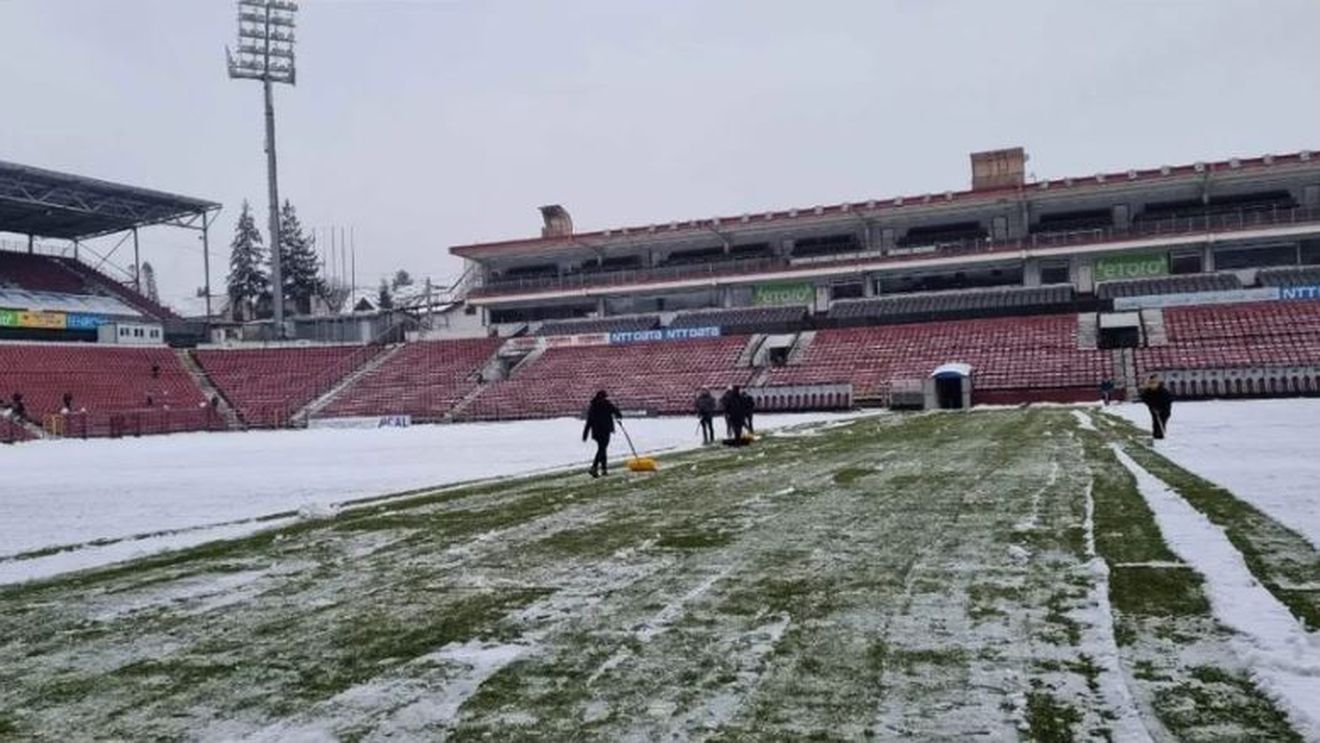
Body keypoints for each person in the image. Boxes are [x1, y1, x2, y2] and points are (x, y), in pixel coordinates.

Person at [582, 389, 622, 478]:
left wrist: (585, 434)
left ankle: (604, 469)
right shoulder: (607, 404)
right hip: (605, 430)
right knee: (602, 449)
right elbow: (617, 413)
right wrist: (618, 413)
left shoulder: (593, 406)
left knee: (602, 449)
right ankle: (594, 467)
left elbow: (589, 421)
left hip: (596, 431)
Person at [1138, 374, 1173, 440]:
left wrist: (1160, 408)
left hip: (1164, 408)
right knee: (1155, 420)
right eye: (1150, 383)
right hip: (1153, 408)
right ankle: (1156, 434)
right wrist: (1151, 406)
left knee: (1162, 420)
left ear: (1157, 383)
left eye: (1154, 383)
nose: (1152, 385)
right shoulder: (1147, 392)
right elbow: (1144, 399)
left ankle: (1160, 434)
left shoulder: (1163, 391)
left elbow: (1168, 400)